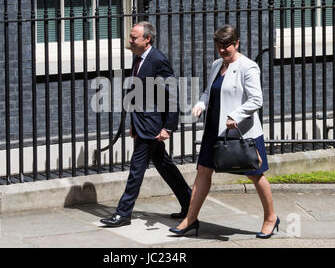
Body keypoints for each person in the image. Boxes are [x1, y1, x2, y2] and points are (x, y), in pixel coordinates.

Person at [169, 24, 279, 239]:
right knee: (203, 172)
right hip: (214, 128)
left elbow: (257, 100)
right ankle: (190, 219)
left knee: (255, 174)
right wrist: (201, 104)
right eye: (219, 46)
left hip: (242, 132)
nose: (222, 50)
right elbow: (209, 92)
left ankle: (271, 218)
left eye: (226, 46)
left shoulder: (248, 67)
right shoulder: (216, 64)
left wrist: (235, 116)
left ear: (236, 43)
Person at [100, 21, 192, 227]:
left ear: (147, 39)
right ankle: (189, 202)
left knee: (136, 168)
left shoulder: (158, 60)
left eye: (134, 37)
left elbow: (172, 94)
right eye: (130, 37)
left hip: (152, 124)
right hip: (143, 122)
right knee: (164, 165)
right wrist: (134, 122)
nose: (130, 41)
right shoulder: (139, 58)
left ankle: (123, 213)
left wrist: (168, 127)